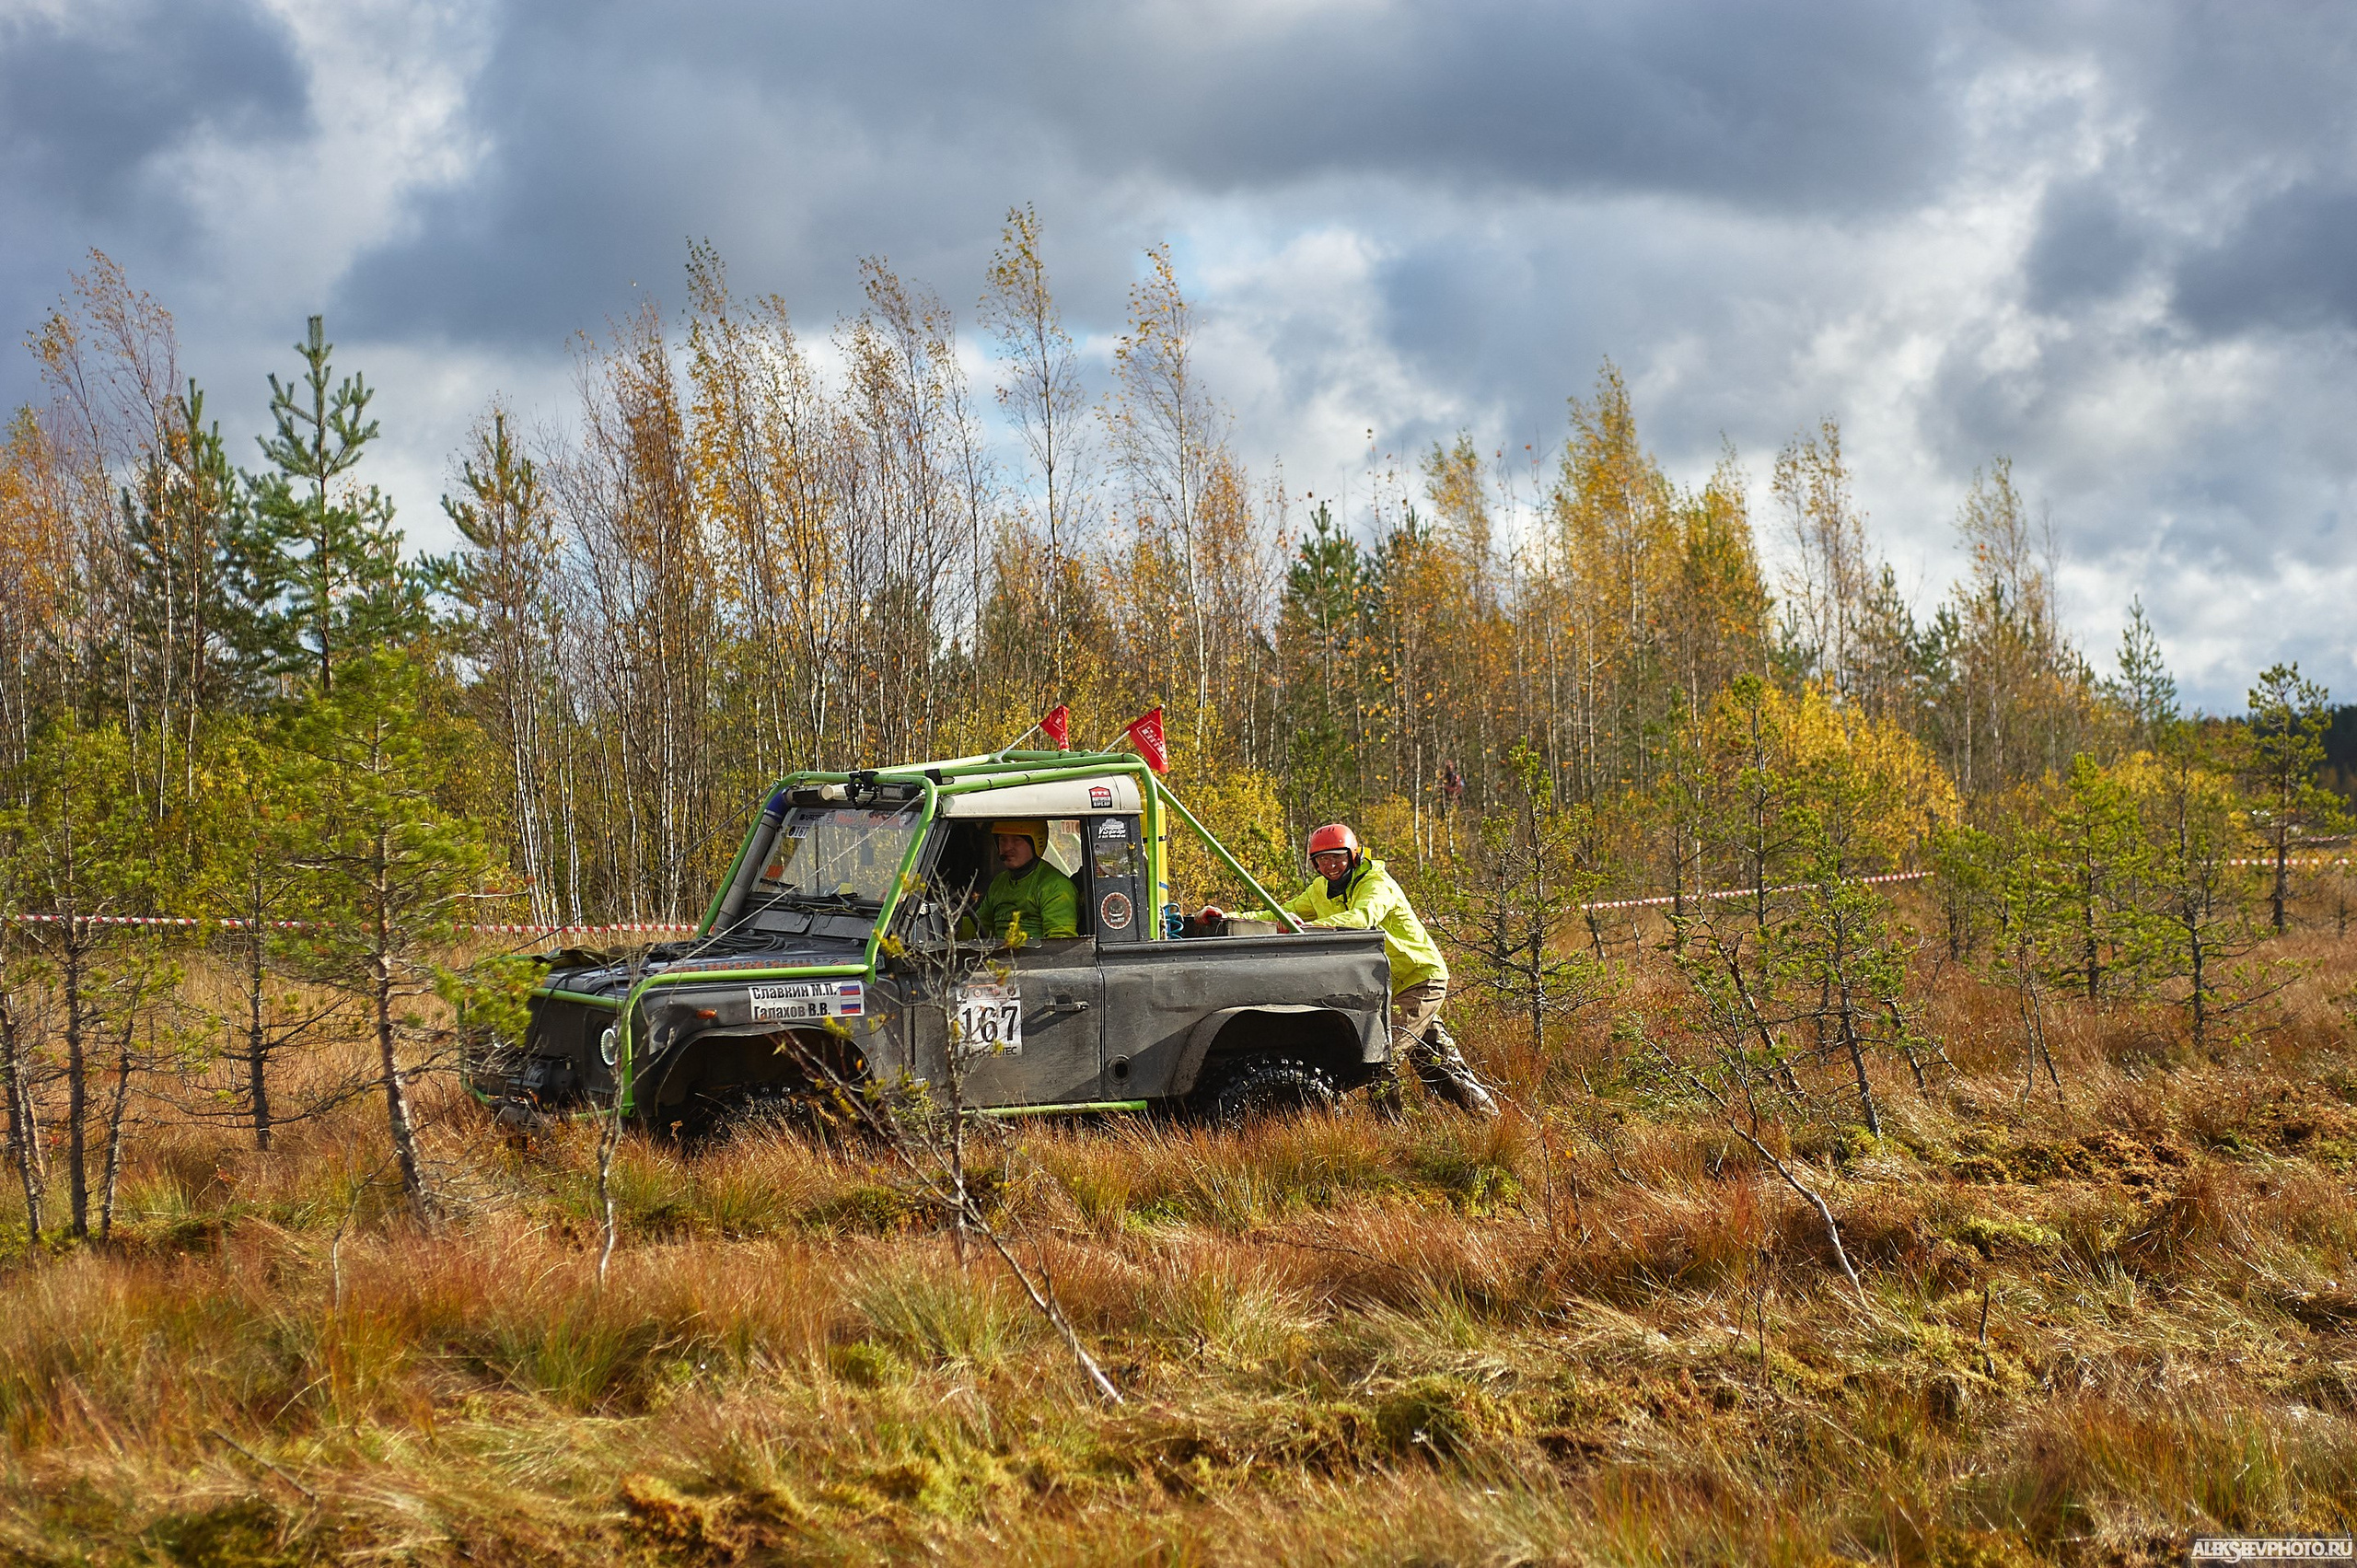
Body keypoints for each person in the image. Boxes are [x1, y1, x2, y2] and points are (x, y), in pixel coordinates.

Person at [1203, 822, 1497, 1117]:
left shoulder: (1376, 883)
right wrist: (1227, 917)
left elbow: (1362, 918)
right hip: (1386, 986)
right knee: (1436, 1060)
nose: (1330, 866)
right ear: (1314, 863)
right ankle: (1488, 1117)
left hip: (1420, 979)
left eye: (1337, 858)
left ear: (1353, 856)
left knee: (1382, 1055)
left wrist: (1310, 927)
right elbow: (1276, 914)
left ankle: (1390, 1131)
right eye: (1322, 859)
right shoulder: (1319, 890)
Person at [970, 820, 1079, 945]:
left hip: (1038, 956)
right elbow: (980, 927)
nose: (1007, 848)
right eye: (1002, 840)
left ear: (1036, 843)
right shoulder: (999, 882)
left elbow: (1061, 944)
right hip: (1000, 954)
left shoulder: (1055, 886)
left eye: (1017, 840)